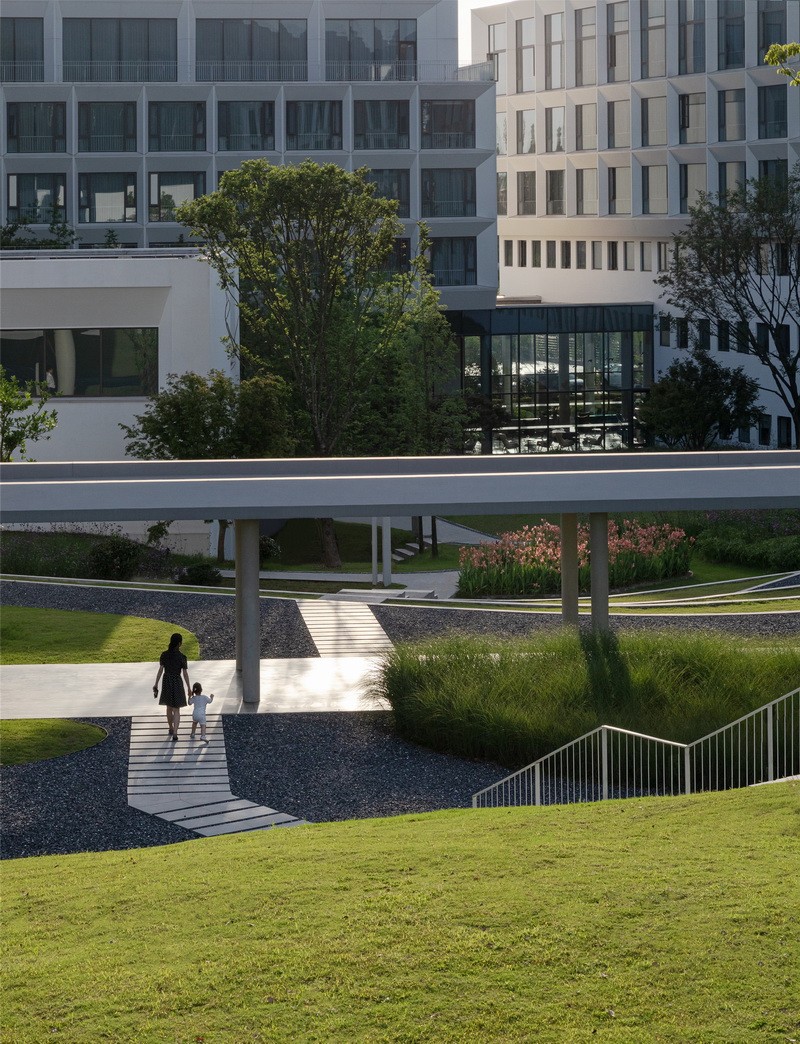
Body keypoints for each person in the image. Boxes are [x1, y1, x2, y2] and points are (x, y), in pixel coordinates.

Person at [153, 632, 191, 742]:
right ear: (179, 643)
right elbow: (185, 674)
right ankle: (175, 732)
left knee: (169, 707)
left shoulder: (164, 655)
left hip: (167, 681)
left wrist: (156, 683)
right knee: (177, 709)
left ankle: (170, 727)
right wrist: (188, 687)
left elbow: (160, 670)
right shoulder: (182, 657)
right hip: (177, 682)